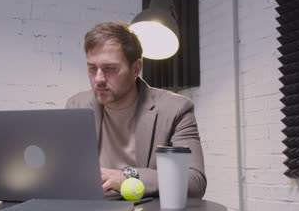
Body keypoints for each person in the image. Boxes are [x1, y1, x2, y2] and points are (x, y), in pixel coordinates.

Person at [66, 21, 206, 198]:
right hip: (90, 210)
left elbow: (194, 181)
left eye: (110, 69)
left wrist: (127, 177)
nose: (98, 79)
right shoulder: (76, 106)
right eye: (92, 68)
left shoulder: (175, 110)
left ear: (136, 68)